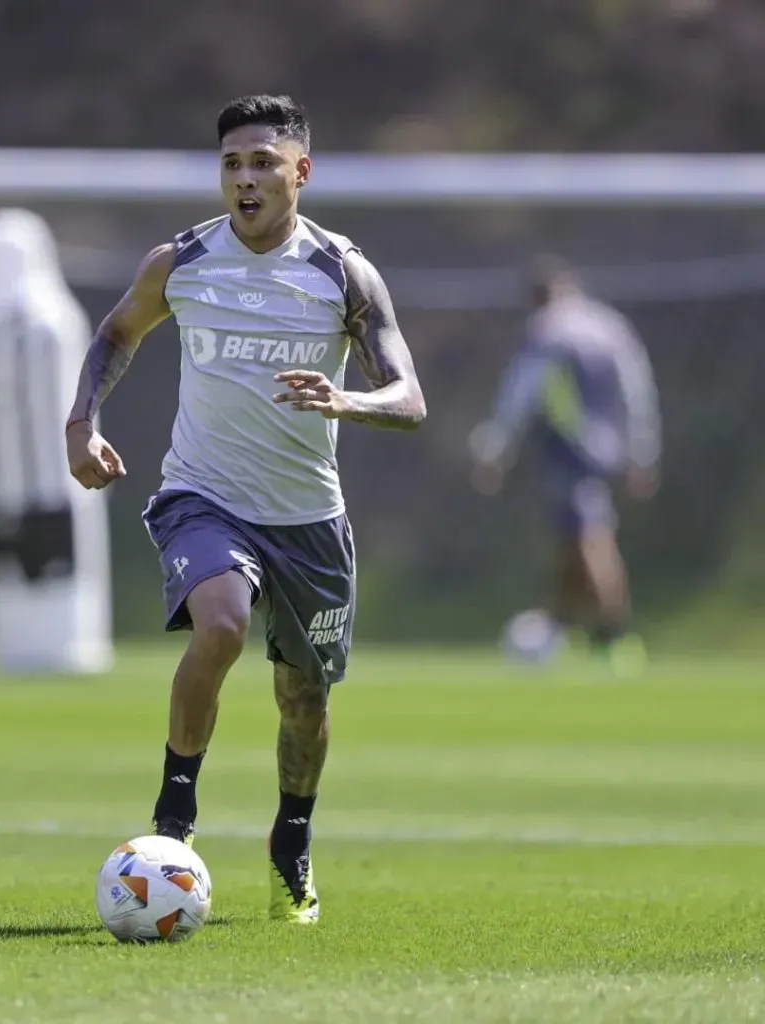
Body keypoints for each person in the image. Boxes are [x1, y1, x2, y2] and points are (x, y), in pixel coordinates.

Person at [65, 94, 425, 924]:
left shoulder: (343, 272)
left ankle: (290, 844)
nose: (246, 178)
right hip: (204, 496)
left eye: (264, 161)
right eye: (232, 164)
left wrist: (346, 400)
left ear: (301, 171)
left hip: (308, 521)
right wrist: (83, 425)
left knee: (305, 699)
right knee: (221, 623)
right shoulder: (182, 261)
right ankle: (173, 823)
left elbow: (409, 400)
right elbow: (117, 334)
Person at [468, 254, 661, 673]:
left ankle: (615, 636)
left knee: (589, 539)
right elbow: (636, 389)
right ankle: (560, 630)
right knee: (571, 542)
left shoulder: (547, 331)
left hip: (570, 451)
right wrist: (641, 452)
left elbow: (520, 395)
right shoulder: (609, 326)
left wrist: (494, 450)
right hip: (608, 451)